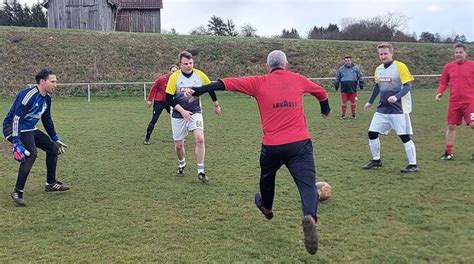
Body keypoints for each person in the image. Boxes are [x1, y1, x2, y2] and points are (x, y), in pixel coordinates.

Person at [185, 50, 331, 255]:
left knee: (267, 177)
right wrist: (325, 110)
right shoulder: (298, 79)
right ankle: (310, 217)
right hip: (300, 144)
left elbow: (226, 83)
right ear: (286, 64)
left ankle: (267, 208)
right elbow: (322, 93)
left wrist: (199, 90)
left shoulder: (259, 81)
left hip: (272, 146)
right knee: (307, 184)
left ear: (267, 66)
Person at [3, 68, 69, 206]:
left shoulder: (47, 99)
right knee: (31, 154)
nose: (56, 84)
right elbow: (16, 119)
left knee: (53, 148)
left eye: (56, 81)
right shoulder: (28, 95)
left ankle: (50, 183)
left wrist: (55, 138)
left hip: (29, 128)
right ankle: (17, 191)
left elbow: (47, 120)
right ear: (42, 82)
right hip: (13, 128)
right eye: (53, 81)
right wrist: (16, 142)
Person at [165, 51, 221, 183]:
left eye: (191, 63)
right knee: (179, 145)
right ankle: (181, 163)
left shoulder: (199, 75)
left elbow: (210, 89)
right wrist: (182, 111)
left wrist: (216, 105)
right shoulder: (174, 77)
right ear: (180, 64)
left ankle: (201, 171)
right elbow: (168, 99)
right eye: (185, 64)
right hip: (179, 114)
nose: (189, 66)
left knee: (200, 139)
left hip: (195, 112)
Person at [363, 42, 417, 173]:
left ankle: (413, 164)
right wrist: (370, 101)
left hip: (398, 109)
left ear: (391, 53)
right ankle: (376, 160)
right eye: (381, 54)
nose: (383, 56)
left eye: (385, 53)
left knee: (404, 136)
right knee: (372, 133)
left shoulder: (400, 66)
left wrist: (396, 97)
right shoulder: (378, 69)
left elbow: (407, 86)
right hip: (383, 109)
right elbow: (377, 86)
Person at [436, 43, 474, 161]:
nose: (458, 54)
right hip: (454, 102)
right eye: (456, 52)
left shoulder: (472, 65)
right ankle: (448, 153)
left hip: (470, 101)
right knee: (451, 126)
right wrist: (439, 93)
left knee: (473, 125)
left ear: (465, 53)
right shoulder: (448, 67)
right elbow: (443, 82)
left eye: (460, 52)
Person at [143, 64, 179, 145]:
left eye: (176, 71)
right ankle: (147, 138)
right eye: (173, 71)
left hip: (170, 102)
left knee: (177, 118)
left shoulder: (178, 80)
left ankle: (179, 137)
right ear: (169, 71)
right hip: (159, 101)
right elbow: (154, 88)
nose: (174, 73)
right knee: (154, 119)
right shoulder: (162, 79)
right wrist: (150, 100)